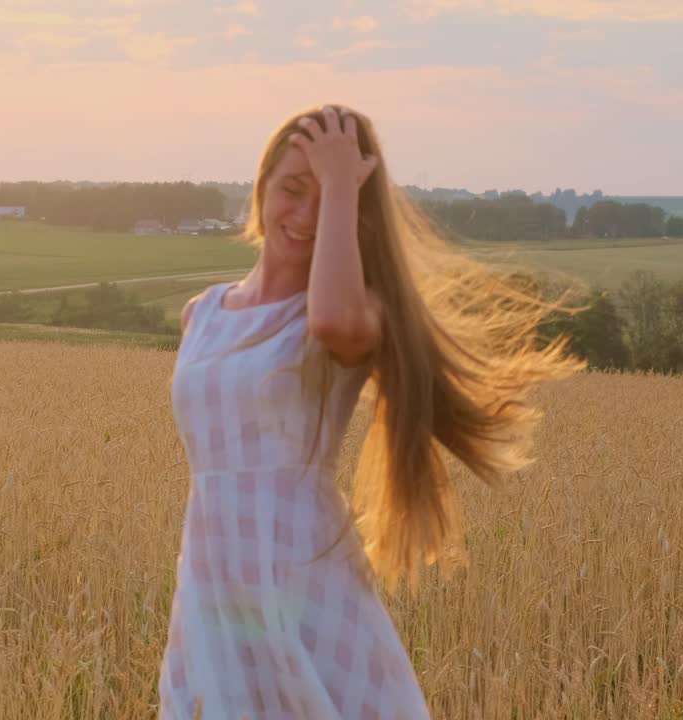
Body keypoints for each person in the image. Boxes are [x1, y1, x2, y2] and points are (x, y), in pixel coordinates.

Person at [158, 105, 583, 719]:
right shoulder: (203, 313)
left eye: (328, 199)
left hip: (300, 576)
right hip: (212, 578)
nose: (304, 215)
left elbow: (330, 319)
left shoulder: (355, 313)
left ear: (355, 219)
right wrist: (334, 184)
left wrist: (339, 183)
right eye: (292, 189)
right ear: (261, 188)